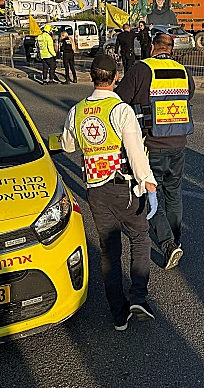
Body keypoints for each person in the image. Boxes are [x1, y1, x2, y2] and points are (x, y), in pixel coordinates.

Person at [61, 54, 158, 330]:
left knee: (109, 251)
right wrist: (148, 183)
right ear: (116, 77)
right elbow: (135, 152)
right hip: (123, 187)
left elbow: (68, 145)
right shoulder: (121, 110)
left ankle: (118, 315)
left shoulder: (77, 111)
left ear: (91, 77)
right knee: (139, 236)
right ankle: (138, 296)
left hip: (95, 191)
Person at [116, 33, 194, 270]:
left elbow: (120, 100)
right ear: (171, 50)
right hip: (179, 143)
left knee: (148, 194)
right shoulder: (183, 71)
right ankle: (176, 239)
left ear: (152, 47)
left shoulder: (141, 69)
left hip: (151, 145)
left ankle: (167, 243)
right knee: (174, 193)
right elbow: (189, 94)